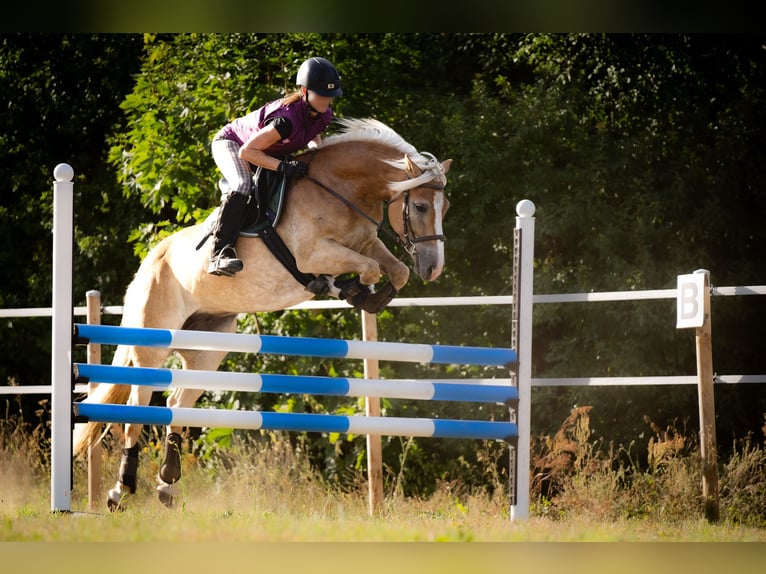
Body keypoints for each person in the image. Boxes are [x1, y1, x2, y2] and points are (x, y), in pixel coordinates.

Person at [207, 56, 343, 276]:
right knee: (242, 184)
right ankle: (219, 253)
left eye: (330, 96)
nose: (326, 101)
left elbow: (314, 134)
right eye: (322, 95)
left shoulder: (324, 113)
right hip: (232, 144)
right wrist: (283, 167)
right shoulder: (285, 121)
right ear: (304, 90)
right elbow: (247, 152)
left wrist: (315, 151)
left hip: (265, 152)